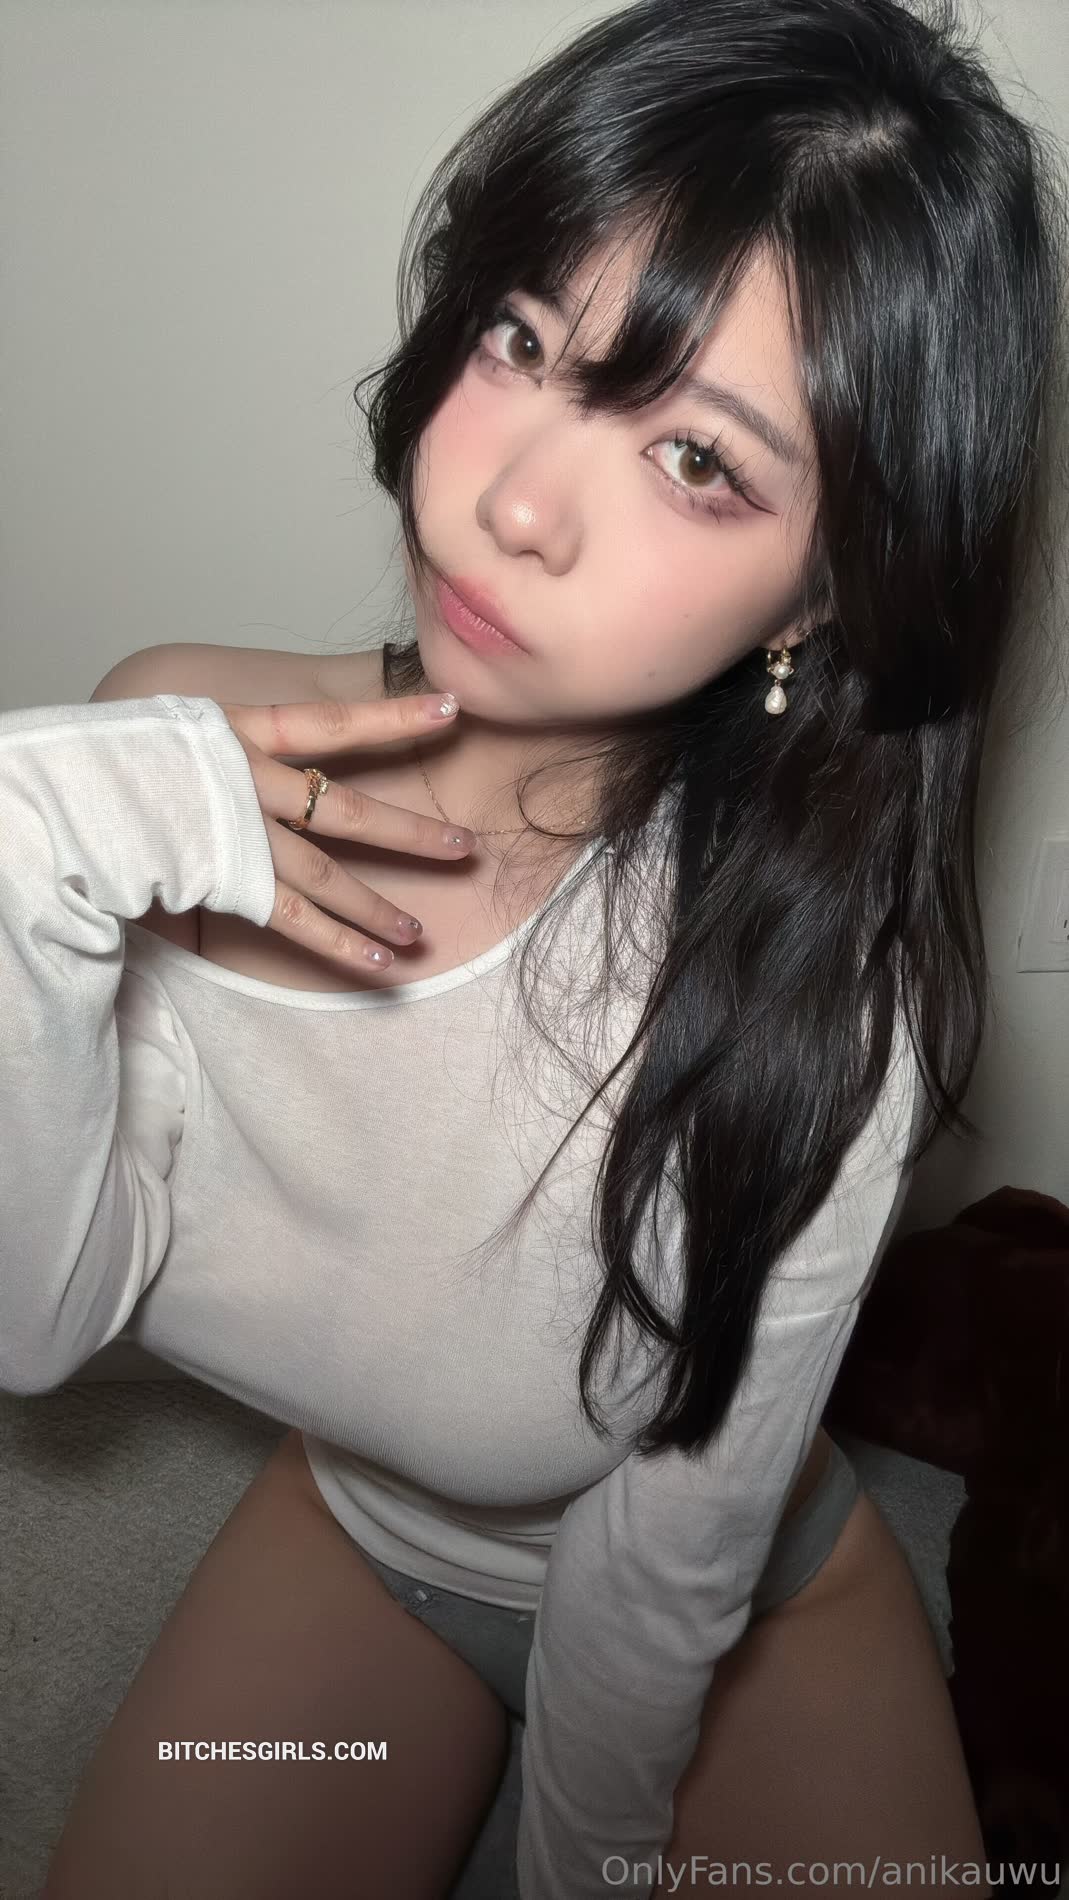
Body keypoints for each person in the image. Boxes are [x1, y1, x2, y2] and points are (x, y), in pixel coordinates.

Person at [1, 0, 1064, 1894]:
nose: (510, 505)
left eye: (699, 462)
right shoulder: (168, 758)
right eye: (521, 341)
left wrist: (590, 1862)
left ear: (826, 588)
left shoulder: (815, 995)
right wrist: (24, 854)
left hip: (740, 1617)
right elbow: (38, 1318)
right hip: (357, 1540)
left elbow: (665, 1571)